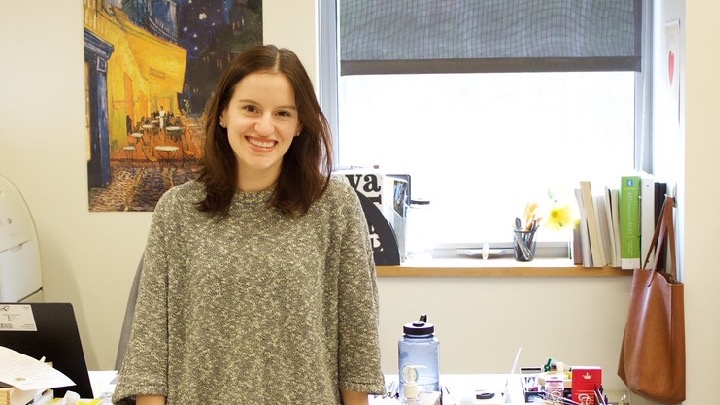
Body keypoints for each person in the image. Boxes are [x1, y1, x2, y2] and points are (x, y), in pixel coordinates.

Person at [112, 45, 386, 404]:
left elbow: (358, 344)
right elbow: (149, 351)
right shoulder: (177, 211)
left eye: (283, 113)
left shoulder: (334, 206)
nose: (265, 126)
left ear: (299, 123)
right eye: (250, 108)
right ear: (224, 113)